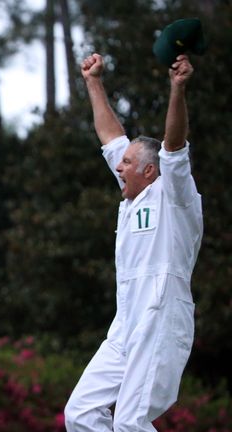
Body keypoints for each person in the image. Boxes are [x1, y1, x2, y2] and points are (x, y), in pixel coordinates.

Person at [64, 53, 202, 431]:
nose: (118, 166)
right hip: (126, 323)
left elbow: (174, 145)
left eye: (126, 162)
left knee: (128, 423)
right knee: (81, 414)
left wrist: (177, 89)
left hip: (160, 318)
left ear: (149, 170)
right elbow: (110, 136)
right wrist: (93, 81)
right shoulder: (132, 195)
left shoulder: (174, 195)